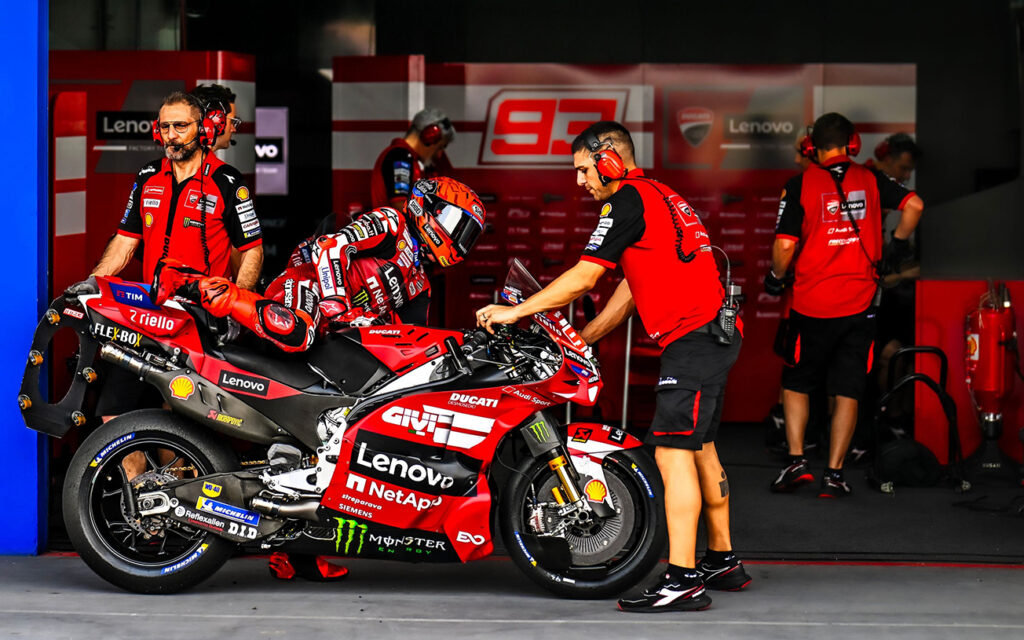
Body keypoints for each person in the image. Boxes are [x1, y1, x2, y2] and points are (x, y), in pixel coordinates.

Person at [475, 121, 749, 613]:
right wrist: (583, 340)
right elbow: (629, 291)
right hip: (714, 335)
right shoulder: (661, 196)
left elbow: (585, 277)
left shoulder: (625, 201)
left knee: (672, 453)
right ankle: (722, 561)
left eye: (584, 169)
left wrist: (516, 312)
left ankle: (683, 579)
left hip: (693, 340)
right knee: (701, 448)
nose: (579, 181)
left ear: (610, 161)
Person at [75, 90, 264, 424]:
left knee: (179, 418)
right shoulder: (148, 176)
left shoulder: (228, 182)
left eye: (180, 126)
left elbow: (252, 251)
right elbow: (125, 242)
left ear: (203, 128)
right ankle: (135, 464)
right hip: (148, 313)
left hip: (199, 321)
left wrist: (236, 309)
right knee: (113, 415)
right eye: (165, 127)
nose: (171, 135)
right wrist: (93, 282)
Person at [764, 112, 924, 498]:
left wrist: (775, 277)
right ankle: (834, 474)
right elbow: (915, 205)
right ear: (853, 144)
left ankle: (796, 461)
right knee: (848, 389)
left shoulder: (800, 184)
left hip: (810, 305)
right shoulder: (871, 179)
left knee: (797, 384)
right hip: (860, 305)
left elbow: (784, 245)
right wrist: (897, 245)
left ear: (812, 147)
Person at [154, 177, 485, 357]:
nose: (459, 240)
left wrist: (458, 350)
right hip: (308, 284)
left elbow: (414, 341)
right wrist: (337, 305)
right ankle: (188, 282)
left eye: (467, 236)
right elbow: (331, 246)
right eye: (457, 225)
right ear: (429, 207)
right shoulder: (391, 223)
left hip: (336, 329)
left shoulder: (420, 284)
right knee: (298, 330)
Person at [371, 108, 455, 209]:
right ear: (429, 137)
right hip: (392, 219)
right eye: (440, 147)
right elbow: (400, 204)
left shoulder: (406, 158)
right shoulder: (400, 157)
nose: (439, 155)